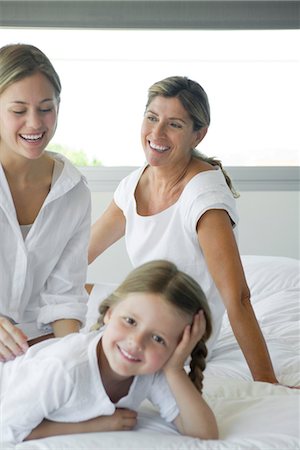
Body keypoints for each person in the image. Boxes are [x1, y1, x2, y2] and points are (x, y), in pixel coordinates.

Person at [88, 75, 279, 385]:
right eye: (152, 118)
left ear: (198, 135)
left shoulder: (205, 198)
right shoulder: (135, 183)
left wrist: (268, 382)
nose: (157, 132)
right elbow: (80, 254)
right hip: (145, 307)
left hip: (182, 327)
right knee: (62, 297)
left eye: (174, 124)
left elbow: (238, 297)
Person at [0, 260, 218, 443]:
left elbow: (204, 433)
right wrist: (96, 425)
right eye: (130, 321)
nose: (136, 343)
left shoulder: (150, 369)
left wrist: (174, 368)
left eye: (158, 338)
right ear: (110, 313)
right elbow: (6, 429)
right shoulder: (64, 368)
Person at [0, 44, 91, 362]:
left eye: (45, 107)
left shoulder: (73, 191)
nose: (35, 123)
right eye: (18, 110)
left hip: (37, 343)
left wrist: (72, 361)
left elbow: (64, 295)